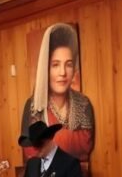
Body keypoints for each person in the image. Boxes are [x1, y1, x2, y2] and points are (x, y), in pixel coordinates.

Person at [21, 22, 95, 162]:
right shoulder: (32, 105)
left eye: (68, 64)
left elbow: (85, 145)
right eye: (55, 65)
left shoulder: (83, 103)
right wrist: (69, 138)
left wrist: (47, 141)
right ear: (46, 68)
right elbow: (29, 148)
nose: (62, 72)